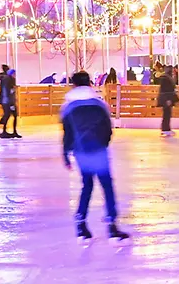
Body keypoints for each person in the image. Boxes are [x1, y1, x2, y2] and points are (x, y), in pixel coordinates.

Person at [52, 70, 128, 241]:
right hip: (99, 150)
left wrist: (66, 154)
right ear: (90, 84)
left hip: (81, 151)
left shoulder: (68, 107)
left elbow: (67, 133)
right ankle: (112, 226)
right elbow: (108, 129)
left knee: (87, 185)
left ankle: (81, 225)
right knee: (107, 186)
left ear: (74, 85)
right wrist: (103, 143)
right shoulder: (99, 104)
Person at [0, 65, 21, 139]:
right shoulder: (9, 80)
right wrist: (11, 102)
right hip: (8, 101)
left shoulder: (4, 79)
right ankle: (7, 131)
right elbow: (9, 91)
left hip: (5, 101)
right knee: (10, 115)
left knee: (7, 115)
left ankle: (4, 130)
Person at [156, 65, 179, 137]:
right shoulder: (166, 79)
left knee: (167, 113)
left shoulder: (166, 78)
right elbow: (167, 90)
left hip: (166, 98)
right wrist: (168, 99)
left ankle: (166, 128)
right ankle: (165, 129)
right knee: (167, 114)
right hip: (166, 99)